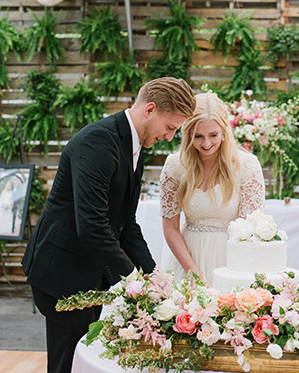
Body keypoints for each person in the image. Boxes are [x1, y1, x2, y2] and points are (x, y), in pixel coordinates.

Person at [22, 77, 196, 373]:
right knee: (68, 361)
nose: (169, 137)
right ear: (149, 109)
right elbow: (92, 224)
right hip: (61, 273)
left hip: (87, 273)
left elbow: (125, 223)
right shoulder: (98, 142)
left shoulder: (134, 143)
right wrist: (133, 280)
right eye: (170, 127)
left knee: (82, 357)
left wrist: (153, 275)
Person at [160, 92, 265, 284]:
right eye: (198, 136)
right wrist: (191, 270)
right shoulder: (175, 165)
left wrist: (232, 273)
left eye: (213, 135)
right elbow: (170, 228)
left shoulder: (247, 165)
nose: (206, 143)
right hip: (187, 259)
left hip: (232, 261)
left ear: (224, 131)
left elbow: (250, 229)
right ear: (188, 134)